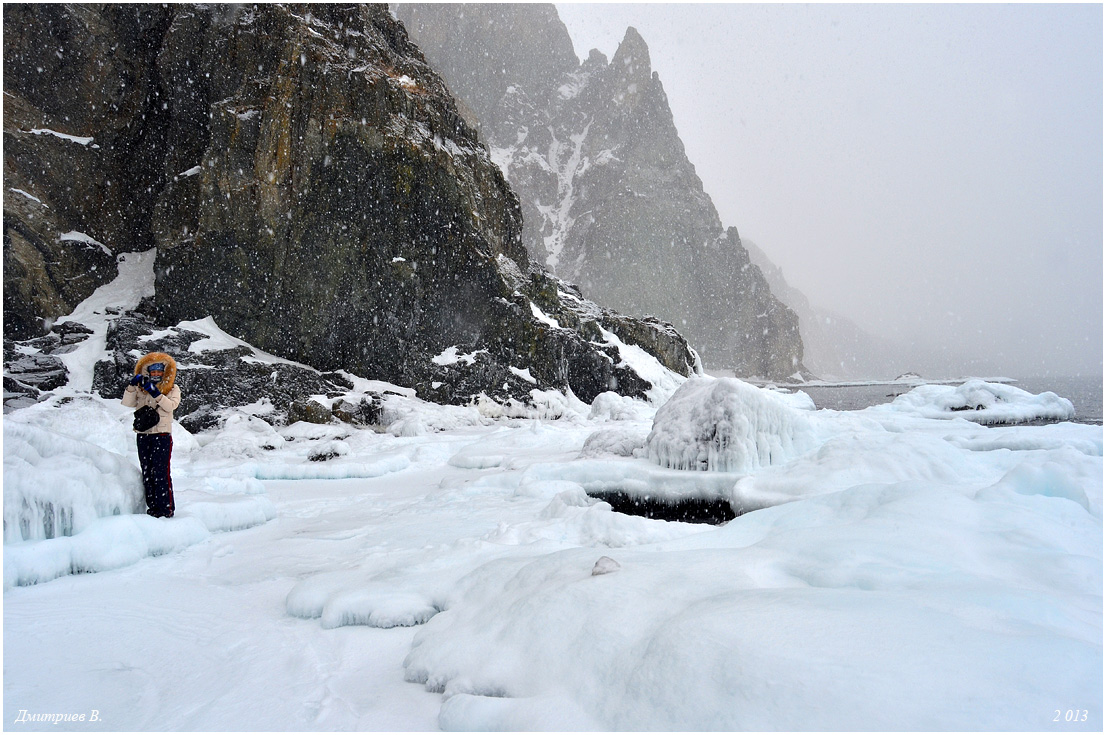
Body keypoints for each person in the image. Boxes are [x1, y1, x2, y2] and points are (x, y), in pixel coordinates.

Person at [122, 352, 182, 518]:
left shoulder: (172, 388)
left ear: (164, 372)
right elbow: (127, 403)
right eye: (152, 371)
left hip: (162, 435)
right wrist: (131, 387)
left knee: (161, 472)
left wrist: (156, 394)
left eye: (159, 371)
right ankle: (153, 508)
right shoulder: (142, 389)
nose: (156, 374)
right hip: (143, 435)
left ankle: (166, 508)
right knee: (147, 472)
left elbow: (171, 406)